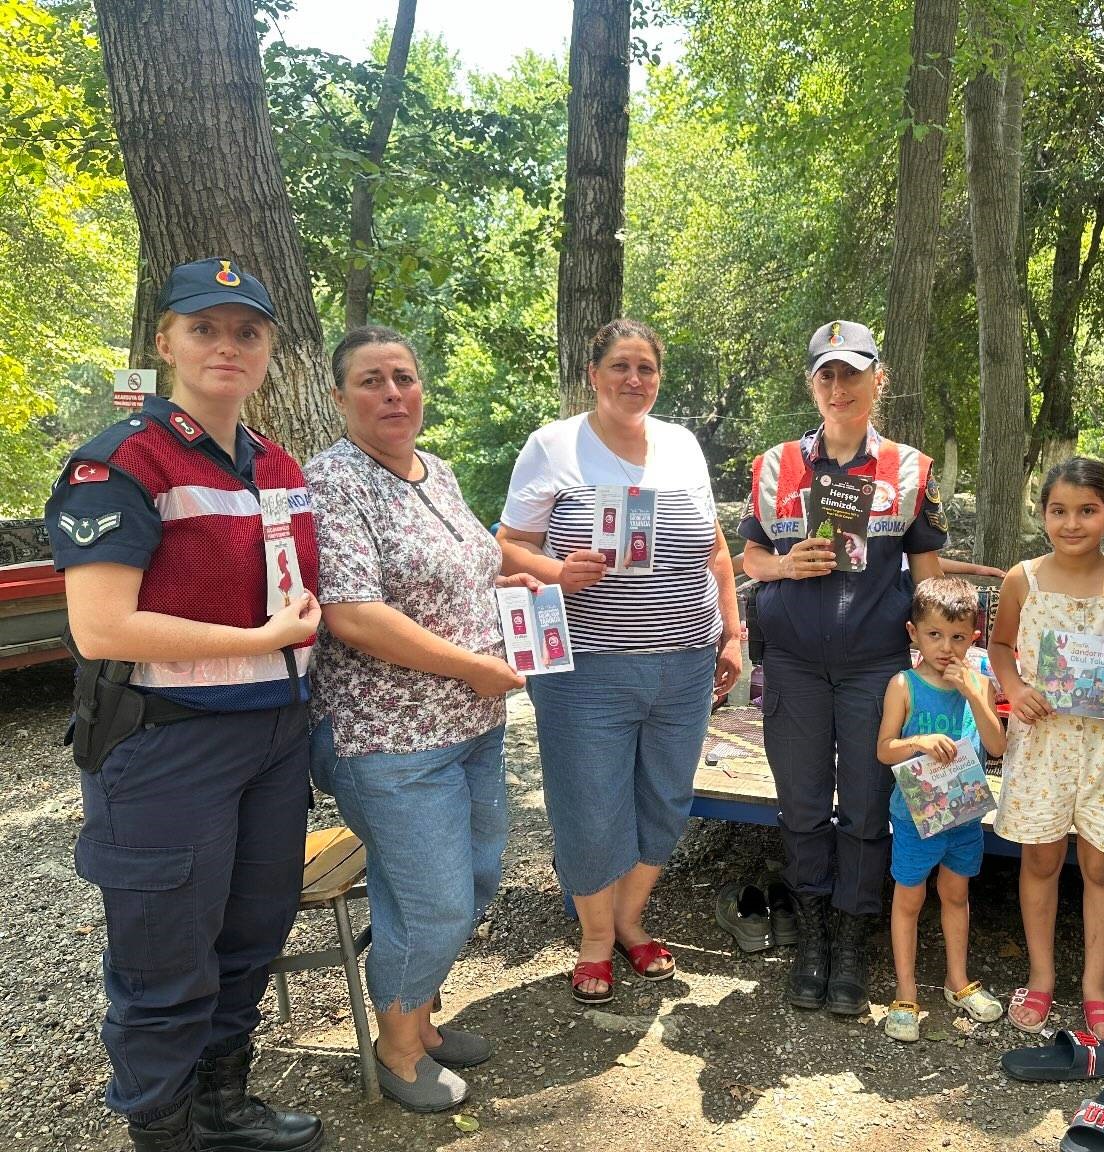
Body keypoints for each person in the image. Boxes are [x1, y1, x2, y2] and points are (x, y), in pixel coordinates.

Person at [45, 258, 324, 1152]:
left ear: (270, 352)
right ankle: (163, 1133)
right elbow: (101, 628)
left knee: (249, 937)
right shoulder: (123, 462)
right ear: (165, 341)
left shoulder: (277, 464)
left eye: (248, 331)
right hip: (168, 748)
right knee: (165, 959)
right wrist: (258, 641)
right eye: (204, 327)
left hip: (274, 738)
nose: (227, 346)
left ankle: (221, 1107)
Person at [305, 326, 531, 1112]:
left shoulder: (439, 472)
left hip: (471, 726)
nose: (393, 393)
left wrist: (531, 588)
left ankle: (421, 1016)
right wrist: (474, 664)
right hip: (385, 738)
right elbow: (354, 615)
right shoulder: (332, 482)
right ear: (339, 398)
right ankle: (398, 1050)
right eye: (371, 381)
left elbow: (479, 561)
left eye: (403, 377)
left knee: (470, 880)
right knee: (433, 898)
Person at [497, 319, 741, 1003]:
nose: (635, 380)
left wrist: (730, 631)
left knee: (664, 799)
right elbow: (506, 544)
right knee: (590, 805)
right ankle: (596, 940)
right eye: (621, 366)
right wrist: (555, 569)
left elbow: (716, 550)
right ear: (593, 374)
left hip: (686, 661)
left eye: (646, 368)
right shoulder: (553, 447)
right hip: (587, 668)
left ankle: (632, 923)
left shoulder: (683, 447)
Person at [739, 320, 947, 1015]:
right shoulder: (773, 466)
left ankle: (853, 942)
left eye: (852, 373)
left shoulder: (911, 470)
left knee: (864, 808)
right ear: (811, 384)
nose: (839, 386)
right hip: (794, 665)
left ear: (877, 380)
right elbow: (750, 560)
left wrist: (940, 661)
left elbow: (927, 574)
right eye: (826, 374)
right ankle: (814, 939)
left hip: (874, 669)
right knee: (800, 806)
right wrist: (783, 563)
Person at [988, 457, 1104, 1043]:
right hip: (1042, 745)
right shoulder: (1022, 578)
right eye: (1059, 511)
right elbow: (1001, 644)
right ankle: (1040, 976)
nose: (1072, 523)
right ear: (1043, 515)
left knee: (1102, 865)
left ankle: (1095, 986)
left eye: (1087, 511)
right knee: (1039, 859)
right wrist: (1013, 688)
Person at [876, 577, 1008, 1042]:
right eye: (934, 635)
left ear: (974, 637)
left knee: (956, 895)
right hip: (915, 816)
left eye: (957, 637)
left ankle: (958, 981)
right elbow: (885, 750)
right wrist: (917, 741)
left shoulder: (981, 684)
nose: (945, 647)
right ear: (914, 632)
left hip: (964, 815)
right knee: (909, 898)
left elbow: (996, 746)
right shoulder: (903, 684)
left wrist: (975, 693)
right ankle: (906, 992)